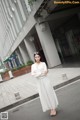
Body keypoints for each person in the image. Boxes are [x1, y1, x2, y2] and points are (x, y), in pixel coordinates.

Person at [31, 52, 59, 116]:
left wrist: (37, 74)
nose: (37, 58)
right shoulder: (33, 66)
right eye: (36, 57)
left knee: (49, 93)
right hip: (39, 82)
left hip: (46, 80)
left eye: (38, 57)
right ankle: (50, 108)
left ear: (40, 57)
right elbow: (32, 74)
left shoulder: (43, 63)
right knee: (44, 95)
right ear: (34, 58)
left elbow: (46, 72)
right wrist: (40, 73)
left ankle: (53, 108)